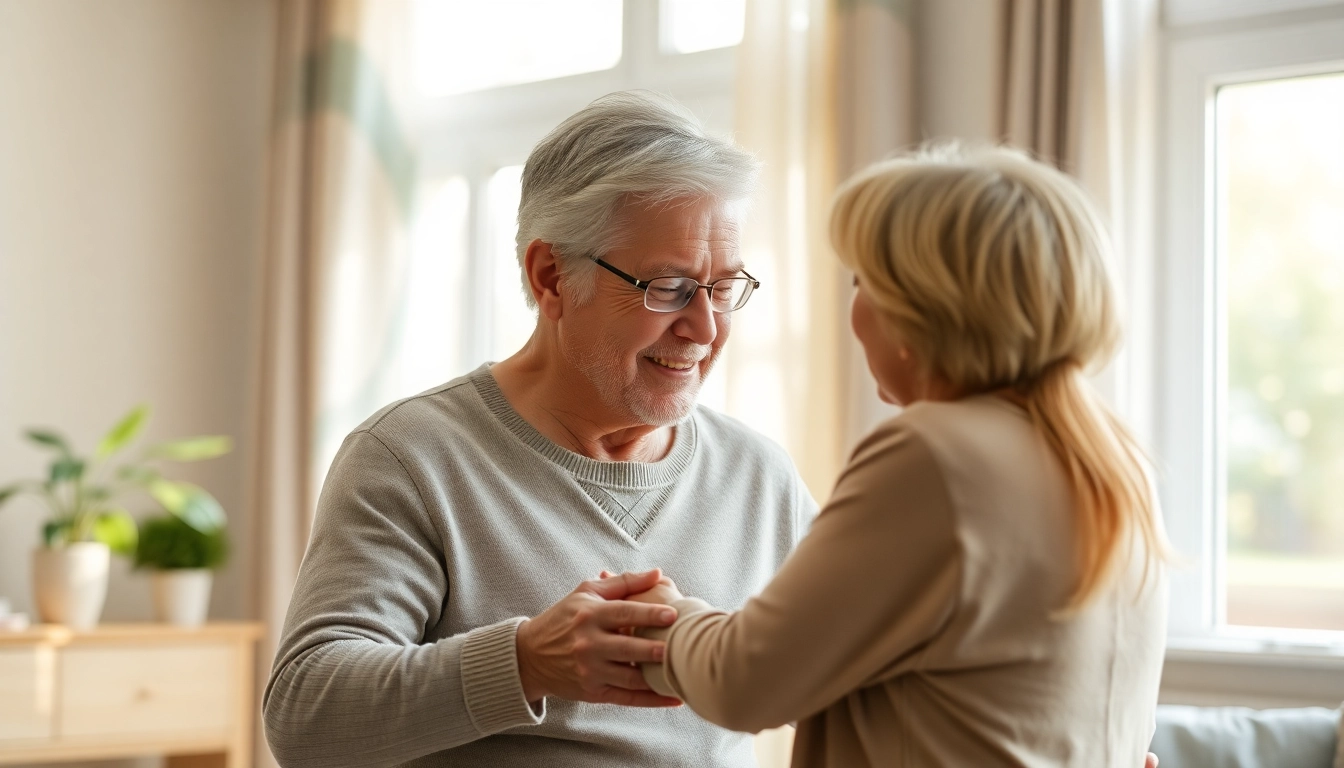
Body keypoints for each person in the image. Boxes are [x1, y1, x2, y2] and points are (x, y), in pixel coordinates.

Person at [262, 90, 817, 767]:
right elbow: (306, 717)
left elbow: (852, 674)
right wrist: (524, 663)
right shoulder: (412, 457)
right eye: (667, 288)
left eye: (723, 288)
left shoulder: (759, 477)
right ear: (551, 274)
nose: (704, 329)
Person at [627, 145, 1172, 767]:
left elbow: (744, 683)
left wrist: (654, 616)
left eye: (863, 282)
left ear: (923, 306)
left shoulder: (935, 457)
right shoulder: (1113, 462)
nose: (855, 310)